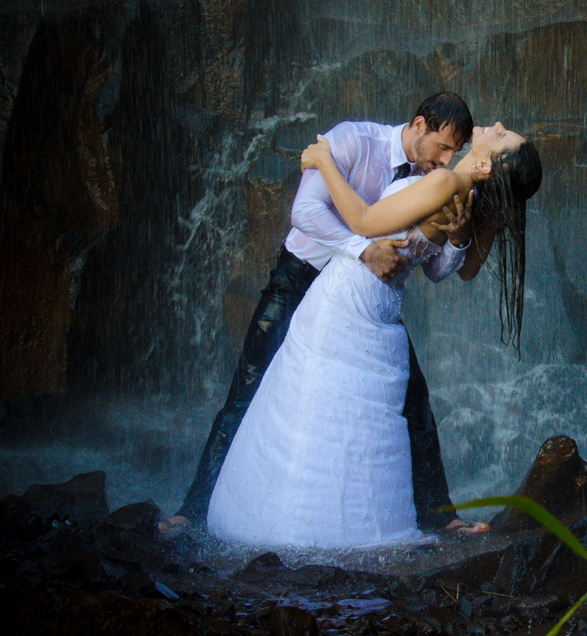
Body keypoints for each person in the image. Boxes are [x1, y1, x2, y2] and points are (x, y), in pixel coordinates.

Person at [206, 122, 542, 548]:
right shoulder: (474, 200)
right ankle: (347, 520)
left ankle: (289, 516)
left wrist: (325, 162)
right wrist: (458, 238)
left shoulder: (446, 182)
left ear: (487, 165)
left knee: (311, 400)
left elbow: (364, 221)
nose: (497, 126)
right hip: (382, 301)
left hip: (349, 293)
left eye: (503, 136)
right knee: (347, 408)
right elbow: (466, 270)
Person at [166, 92, 477, 536]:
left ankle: (442, 519)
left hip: (361, 300)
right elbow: (304, 211)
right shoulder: (352, 141)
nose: (446, 161)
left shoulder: (435, 182)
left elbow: (434, 269)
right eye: (443, 147)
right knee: (247, 388)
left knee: (415, 403)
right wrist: (363, 249)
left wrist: (459, 238)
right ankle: (193, 510)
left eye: (455, 153)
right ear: (419, 124)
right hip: (301, 278)